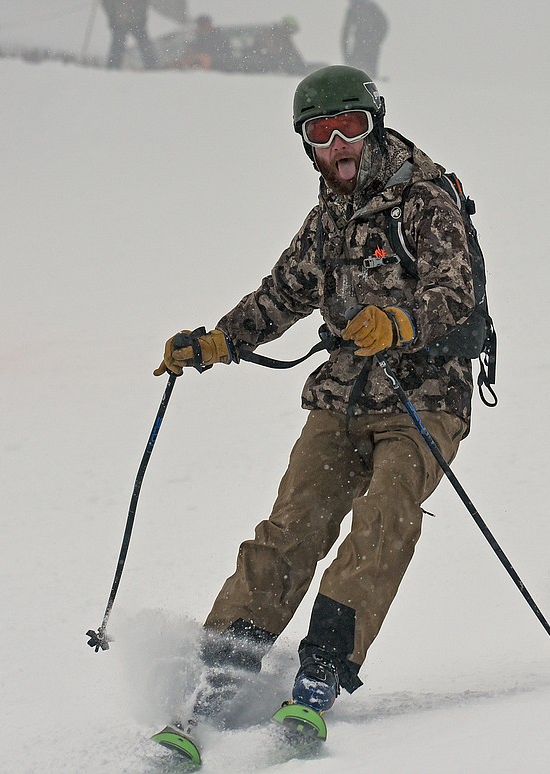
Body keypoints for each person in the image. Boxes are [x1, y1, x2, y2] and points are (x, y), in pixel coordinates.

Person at [154, 64, 477, 737]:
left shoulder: (425, 199)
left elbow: (457, 292)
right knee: (293, 523)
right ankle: (226, 662)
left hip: (425, 396)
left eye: (350, 127)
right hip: (344, 395)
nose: (339, 145)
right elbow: (281, 296)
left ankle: (324, 664)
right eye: (321, 132)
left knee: (384, 516)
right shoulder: (326, 222)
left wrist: (400, 322)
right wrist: (217, 342)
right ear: (306, 143)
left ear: (374, 124)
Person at [101, 0, 157, 70]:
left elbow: (143, 3)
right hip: (122, 20)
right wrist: (112, 16)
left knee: (143, 43)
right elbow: (107, 4)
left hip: (133, 19)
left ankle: (152, 64)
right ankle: (113, 66)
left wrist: (141, 15)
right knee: (118, 44)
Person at [241, 16, 307, 75]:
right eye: (290, 28)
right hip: (259, 65)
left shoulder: (285, 38)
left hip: (271, 65)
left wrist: (301, 64)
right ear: (285, 26)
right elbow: (271, 51)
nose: (291, 32)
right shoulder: (270, 34)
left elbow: (293, 52)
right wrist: (286, 60)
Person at [341, 0, 388, 78]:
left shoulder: (370, 7)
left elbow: (384, 25)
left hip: (367, 43)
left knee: (365, 72)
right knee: (358, 72)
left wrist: (376, 40)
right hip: (362, 44)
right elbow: (345, 33)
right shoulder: (354, 9)